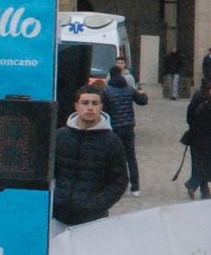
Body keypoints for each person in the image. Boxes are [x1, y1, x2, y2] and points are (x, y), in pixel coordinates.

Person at [53, 88, 129, 226]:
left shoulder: (112, 141)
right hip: (57, 216)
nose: (90, 108)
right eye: (85, 103)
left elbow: (119, 181)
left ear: (101, 106)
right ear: (76, 106)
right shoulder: (60, 137)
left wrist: (97, 205)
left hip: (93, 220)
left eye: (94, 103)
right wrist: (54, 200)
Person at [100, 63, 148, 196]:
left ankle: (113, 183)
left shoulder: (106, 91)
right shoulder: (129, 89)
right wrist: (143, 93)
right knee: (131, 157)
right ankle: (135, 187)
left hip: (113, 128)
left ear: (110, 75)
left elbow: (104, 111)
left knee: (112, 157)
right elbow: (143, 101)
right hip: (128, 127)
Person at [184, 82, 211, 199]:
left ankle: (205, 192)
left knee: (198, 164)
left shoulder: (193, 103)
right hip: (209, 140)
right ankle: (192, 184)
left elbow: (188, 119)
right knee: (206, 165)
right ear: (210, 90)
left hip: (194, 138)